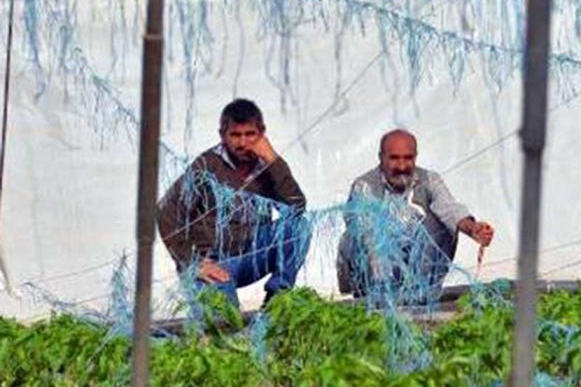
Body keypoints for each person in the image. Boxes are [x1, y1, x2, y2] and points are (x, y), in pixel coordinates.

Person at [158, 98, 309, 308]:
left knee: (299, 227)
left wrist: (273, 160)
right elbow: (167, 210)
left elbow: (296, 207)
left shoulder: (266, 166)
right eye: (235, 135)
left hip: (252, 255)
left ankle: (276, 301)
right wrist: (192, 263)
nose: (243, 142)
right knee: (224, 324)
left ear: (262, 133)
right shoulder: (206, 166)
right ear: (222, 135)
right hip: (213, 262)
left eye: (250, 134)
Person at [336, 129, 494, 304]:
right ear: (381, 158)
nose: (402, 166)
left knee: (441, 224)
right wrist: (384, 289)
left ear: (415, 157)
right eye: (394, 158)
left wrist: (473, 229)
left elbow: (449, 208)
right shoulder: (364, 185)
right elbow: (368, 235)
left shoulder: (429, 180)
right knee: (361, 236)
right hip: (375, 274)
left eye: (408, 158)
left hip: (417, 271)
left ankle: (422, 292)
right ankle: (380, 299)